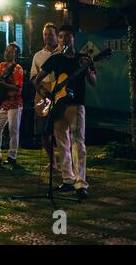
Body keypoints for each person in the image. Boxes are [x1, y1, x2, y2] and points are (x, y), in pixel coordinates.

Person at [34, 24, 97, 199]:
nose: (64, 39)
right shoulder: (55, 59)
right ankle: (67, 178)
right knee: (62, 142)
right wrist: (44, 94)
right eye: (61, 36)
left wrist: (88, 68)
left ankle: (80, 182)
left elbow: (93, 81)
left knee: (78, 143)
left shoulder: (83, 58)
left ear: (74, 38)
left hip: (76, 104)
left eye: (67, 36)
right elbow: (37, 80)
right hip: (58, 105)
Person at [30, 23, 60, 170]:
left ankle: (66, 161)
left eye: (51, 34)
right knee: (44, 131)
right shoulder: (38, 55)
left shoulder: (62, 53)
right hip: (42, 94)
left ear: (57, 36)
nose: (48, 36)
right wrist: (41, 92)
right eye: (45, 34)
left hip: (60, 94)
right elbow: (32, 77)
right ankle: (52, 161)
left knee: (60, 130)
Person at [0, 43, 24, 167]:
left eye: (11, 51)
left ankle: (12, 156)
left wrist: (4, 84)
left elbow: (18, 88)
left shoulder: (18, 68)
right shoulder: (0, 66)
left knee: (13, 130)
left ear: (16, 55)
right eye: (6, 50)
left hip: (15, 102)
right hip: (3, 102)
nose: (7, 53)